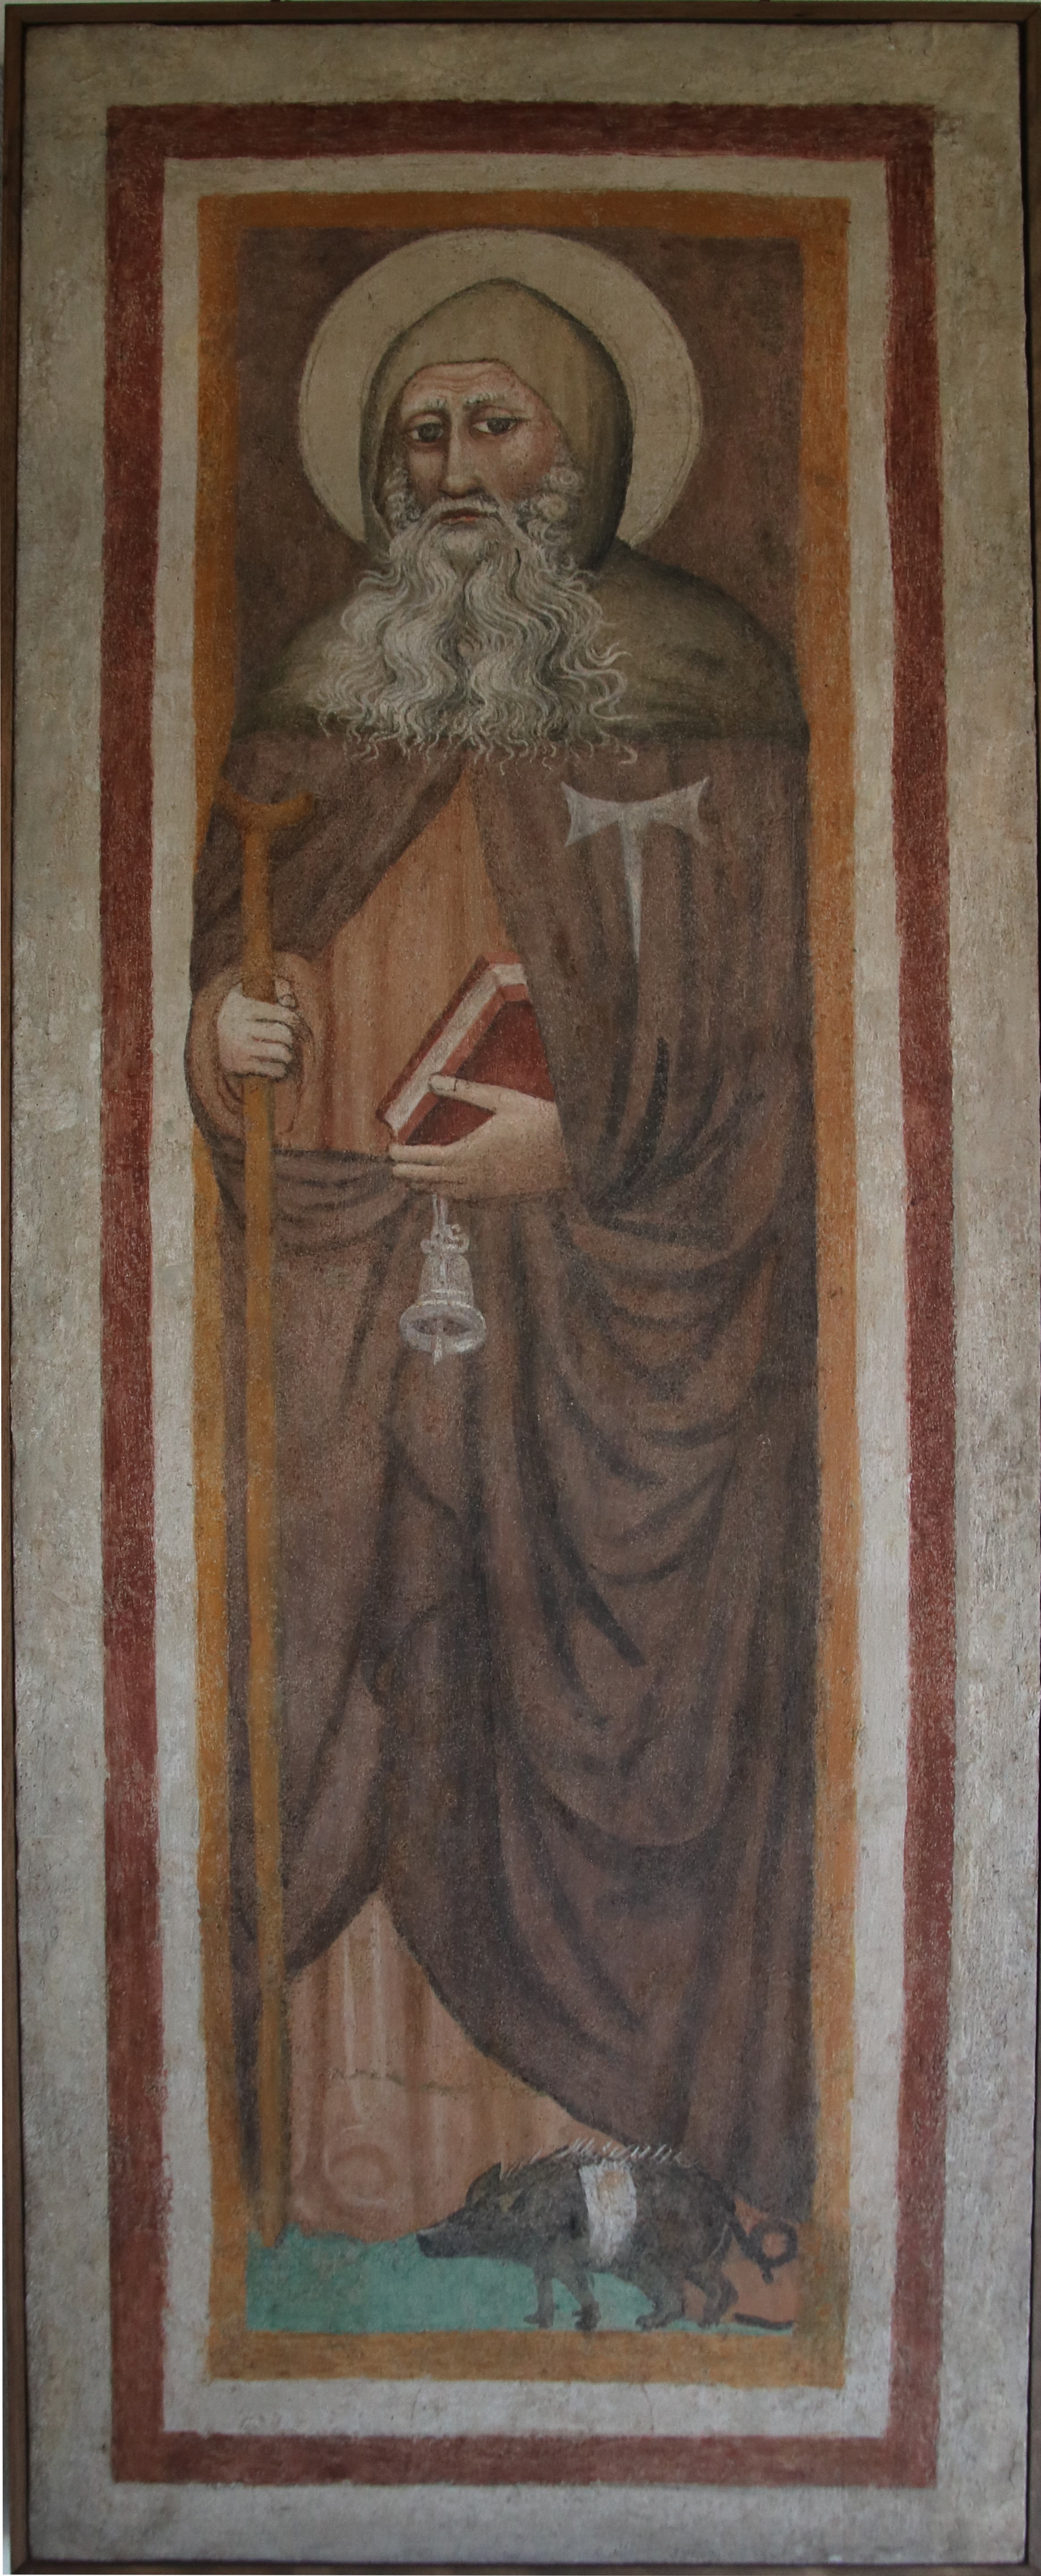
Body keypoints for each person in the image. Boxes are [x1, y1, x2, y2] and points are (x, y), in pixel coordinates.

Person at [187, 252, 819, 2246]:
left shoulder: (708, 685)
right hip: (357, 1292)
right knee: (348, 1681)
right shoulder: (329, 685)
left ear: (589, 447)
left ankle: (649, 2181)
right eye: (421, 434)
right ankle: (337, 2189)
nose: (452, 471)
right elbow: (242, 940)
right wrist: (224, 1031)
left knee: (594, 1705)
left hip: (618, 1333)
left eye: (494, 423)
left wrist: (596, 1144)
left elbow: (776, 1055)